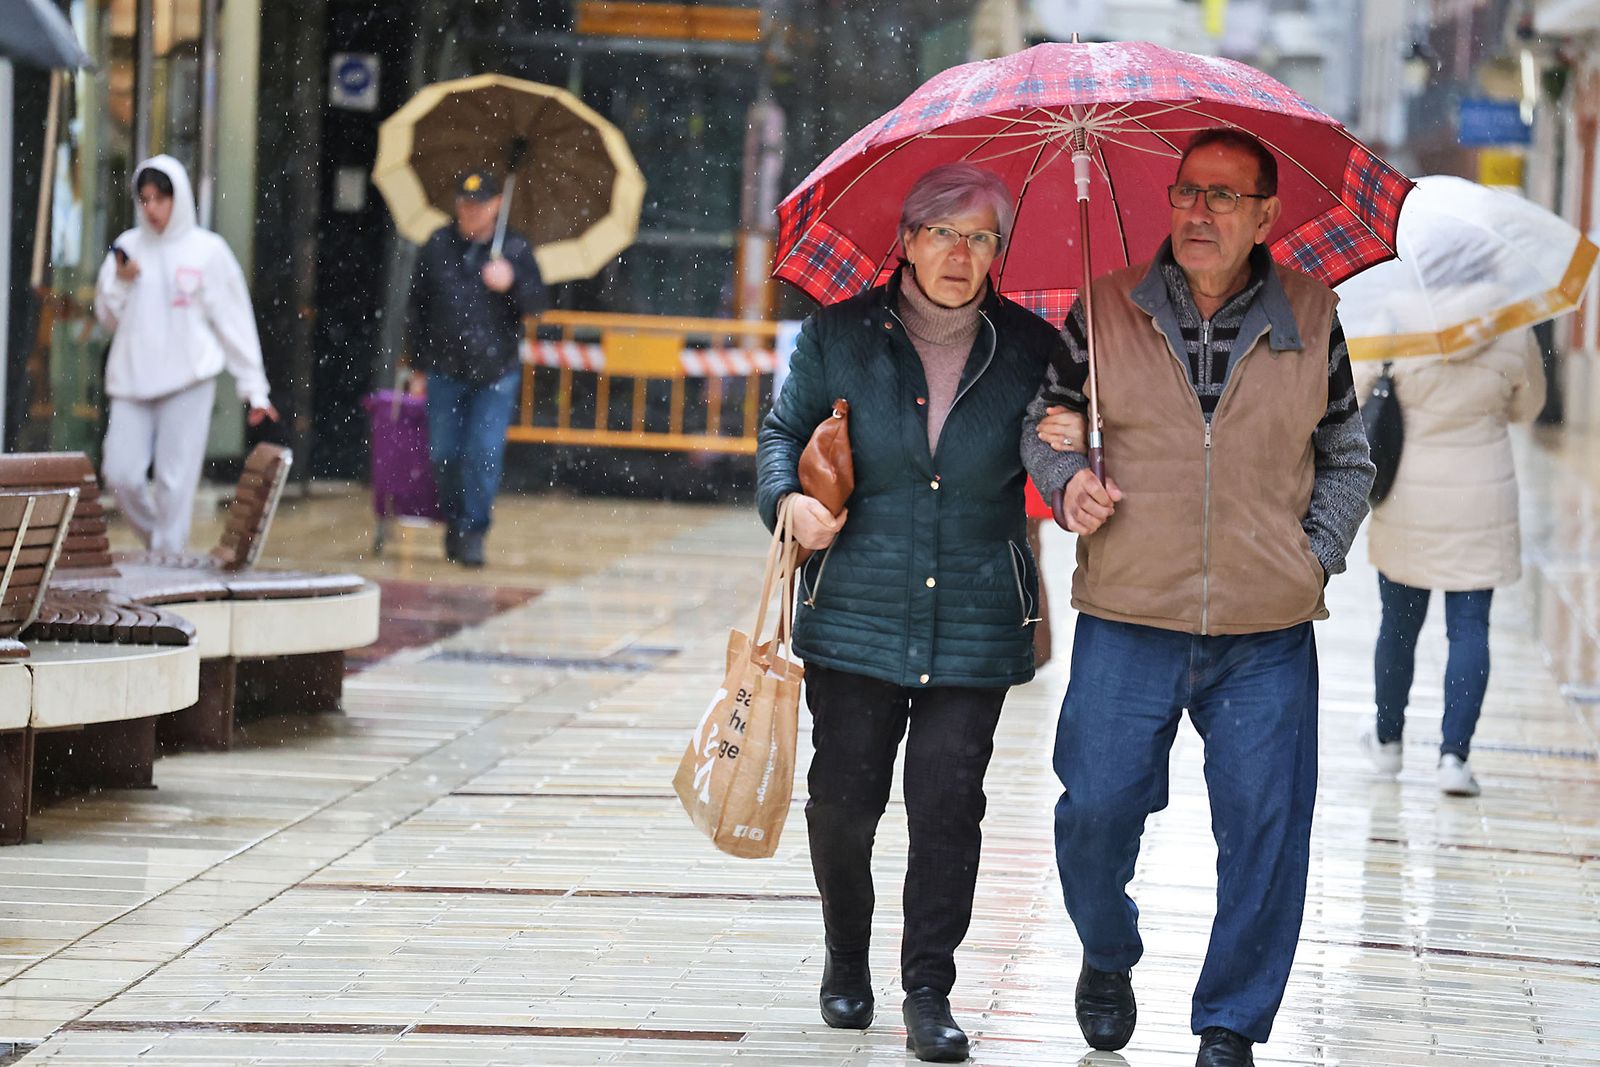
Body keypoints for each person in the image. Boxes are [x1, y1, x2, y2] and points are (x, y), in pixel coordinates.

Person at [1021, 129, 1375, 1067]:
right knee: (1092, 809)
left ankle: (1230, 1023)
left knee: (1266, 829)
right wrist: (1066, 481)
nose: (1199, 212)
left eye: (1225, 197)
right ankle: (1107, 948)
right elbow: (1048, 425)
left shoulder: (1311, 312)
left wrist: (1312, 559)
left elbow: (1347, 456)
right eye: (1188, 192)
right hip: (1130, 611)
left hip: (1266, 629)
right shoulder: (1102, 310)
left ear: (1267, 215)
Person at [756, 163, 1067, 1063]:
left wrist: (1072, 445)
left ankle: (929, 988)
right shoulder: (839, 335)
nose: (960, 255)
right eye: (943, 233)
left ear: (999, 253)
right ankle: (845, 950)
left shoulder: (1036, 348)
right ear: (908, 239)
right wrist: (789, 502)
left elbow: (1057, 458)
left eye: (980, 238)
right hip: (855, 605)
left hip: (973, 615)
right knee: (842, 802)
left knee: (947, 805)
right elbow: (781, 436)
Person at [1355, 329, 1546, 796]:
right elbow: (1528, 407)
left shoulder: (1396, 322)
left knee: (1399, 626)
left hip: (1409, 498)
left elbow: (1359, 394)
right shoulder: (1511, 327)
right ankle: (1453, 758)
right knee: (1469, 628)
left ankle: (1388, 740)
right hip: (1481, 498)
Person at [94, 155, 277, 553]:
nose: (153, 209)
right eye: (144, 199)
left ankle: (166, 561)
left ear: (180, 198)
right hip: (131, 381)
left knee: (176, 484)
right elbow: (106, 319)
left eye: (161, 198)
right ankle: (163, 549)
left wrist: (254, 388)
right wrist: (122, 284)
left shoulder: (207, 251)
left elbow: (235, 322)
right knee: (120, 474)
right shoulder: (126, 248)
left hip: (189, 381)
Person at [407, 170, 546, 567]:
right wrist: (417, 365)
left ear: (497, 205)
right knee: (444, 455)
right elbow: (417, 308)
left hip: (495, 372)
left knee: (483, 453)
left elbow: (537, 303)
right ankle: (454, 517)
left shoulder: (515, 248)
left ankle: (474, 529)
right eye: (464, 204)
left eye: (479, 205)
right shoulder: (438, 244)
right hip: (445, 368)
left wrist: (512, 283)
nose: (469, 212)